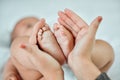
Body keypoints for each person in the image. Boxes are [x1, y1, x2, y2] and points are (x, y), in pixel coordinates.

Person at [3, 9, 114, 80]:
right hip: (43, 74)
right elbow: (10, 65)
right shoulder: (14, 51)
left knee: (106, 49)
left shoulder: (55, 33)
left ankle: (77, 55)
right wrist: (9, 74)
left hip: (74, 70)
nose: (38, 26)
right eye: (28, 26)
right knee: (18, 47)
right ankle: (53, 59)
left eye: (37, 23)